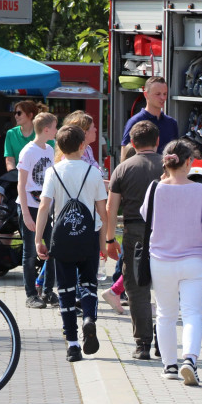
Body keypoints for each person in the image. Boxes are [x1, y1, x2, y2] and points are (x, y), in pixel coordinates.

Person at [139, 139, 202, 385]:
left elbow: (144, 215)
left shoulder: (155, 188)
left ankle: (169, 365)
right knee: (193, 313)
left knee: (165, 315)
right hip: (194, 261)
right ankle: (190, 360)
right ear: (189, 162)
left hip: (161, 261)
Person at [36, 124, 109, 362]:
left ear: (59, 147)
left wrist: (39, 239)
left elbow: (44, 207)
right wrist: (104, 241)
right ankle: (89, 317)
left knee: (65, 292)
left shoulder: (53, 172)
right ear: (82, 145)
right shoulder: (94, 172)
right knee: (89, 284)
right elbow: (103, 212)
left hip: (63, 240)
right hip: (89, 237)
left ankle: (73, 345)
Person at [105, 120, 162, 358]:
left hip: (134, 233)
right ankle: (163, 338)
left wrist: (109, 239)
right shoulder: (168, 166)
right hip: (165, 233)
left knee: (137, 290)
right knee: (165, 288)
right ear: (158, 142)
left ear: (132, 143)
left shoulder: (123, 168)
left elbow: (111, 208)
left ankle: (142, 345)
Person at [18, 111, 58, 308]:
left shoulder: (50, 150)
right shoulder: (28, 151)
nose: (57, 131)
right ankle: (31, 294)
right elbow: (21, 185)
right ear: (46, 129)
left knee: (52, 248)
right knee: (31, 252)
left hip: (46, 207)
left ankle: (48, 291)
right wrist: (25, 213)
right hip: (30, 206)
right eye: (55, 127)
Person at [120, 76, 178, 162]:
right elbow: (125, 156)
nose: (163, 98)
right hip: (143, 173)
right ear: (146, 94)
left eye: (165, 94)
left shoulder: (171, 123)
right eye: (158, 94)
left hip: (166, 173)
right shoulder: (135, 122)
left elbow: (175, 152)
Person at [4, 100, 52, 172]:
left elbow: (51, 158)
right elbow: (10, 159)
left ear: (30, 115)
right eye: (15, 113)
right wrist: (13, 176)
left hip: (40, 178)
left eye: (19, 113)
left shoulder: (44, 133)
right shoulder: (11, 133)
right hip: (18, 177)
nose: (16, 116)